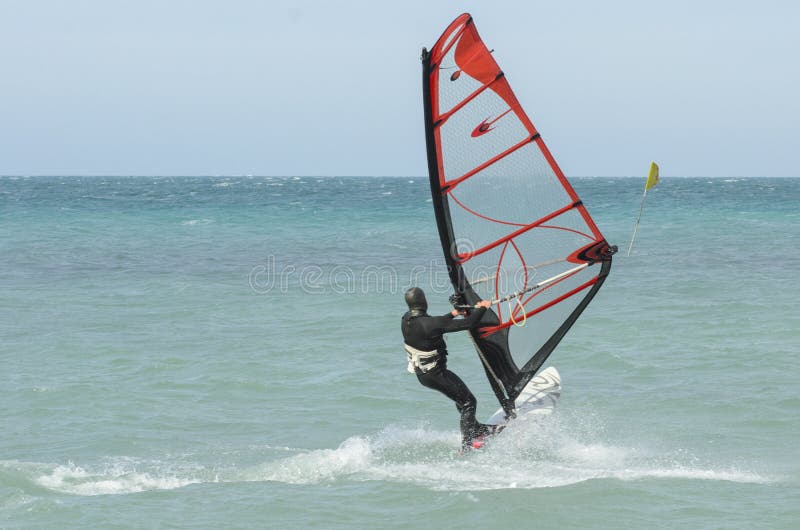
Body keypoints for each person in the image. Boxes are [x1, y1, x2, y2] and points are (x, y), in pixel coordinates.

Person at [401, 286, 498, 450]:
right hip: (436, 374)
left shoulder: (406, 319)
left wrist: (453, 313)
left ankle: (476, 428)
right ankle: (467, 446)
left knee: (460, 398)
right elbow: (470, 323)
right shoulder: (431, 324)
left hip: (423, 375)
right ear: (424, 301)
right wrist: (483, 308)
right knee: (469, 402)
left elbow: (434, 325)